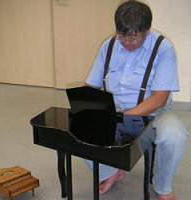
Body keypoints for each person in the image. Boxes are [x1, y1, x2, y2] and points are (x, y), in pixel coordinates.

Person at [86, 1, 189, 200]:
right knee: (78, 128)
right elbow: (92, 85)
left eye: (133, 36)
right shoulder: (109, 45)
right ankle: (112, 171)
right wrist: (88, 109)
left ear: (147, 31)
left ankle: (162, 187)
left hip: (153, 114)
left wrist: (121, 117)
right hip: (116, 110)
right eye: (122, 35)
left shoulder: (163, 48)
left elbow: (159, 98)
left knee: (175, 134)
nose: (126, 42)